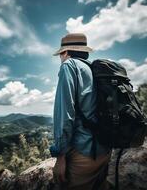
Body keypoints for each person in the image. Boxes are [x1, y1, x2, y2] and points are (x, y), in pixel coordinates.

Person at [50, 33, 112, 190]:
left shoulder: (69, 66)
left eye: (60, 54)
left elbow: (65, 115)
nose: (60, 58)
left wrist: (60, 156)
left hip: (84, 151)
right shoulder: (93, 69)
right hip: (105, 148)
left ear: (65, 52)